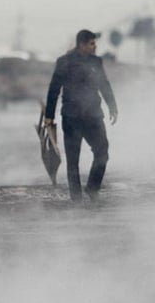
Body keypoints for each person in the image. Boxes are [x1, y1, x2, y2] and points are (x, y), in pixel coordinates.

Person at [43, 29, 118, 201]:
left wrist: (113, 107)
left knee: (102, 152)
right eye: (92, 44)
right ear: (82, 45)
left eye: (95, 43)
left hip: (93, 116)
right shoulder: (64, 62)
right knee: (72, 160)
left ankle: (92, 188)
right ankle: (75, 198)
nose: (95, 47)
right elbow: (54, 89)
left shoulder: (96, 62)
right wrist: (49, 115)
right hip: (72, 118)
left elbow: (104, 85)